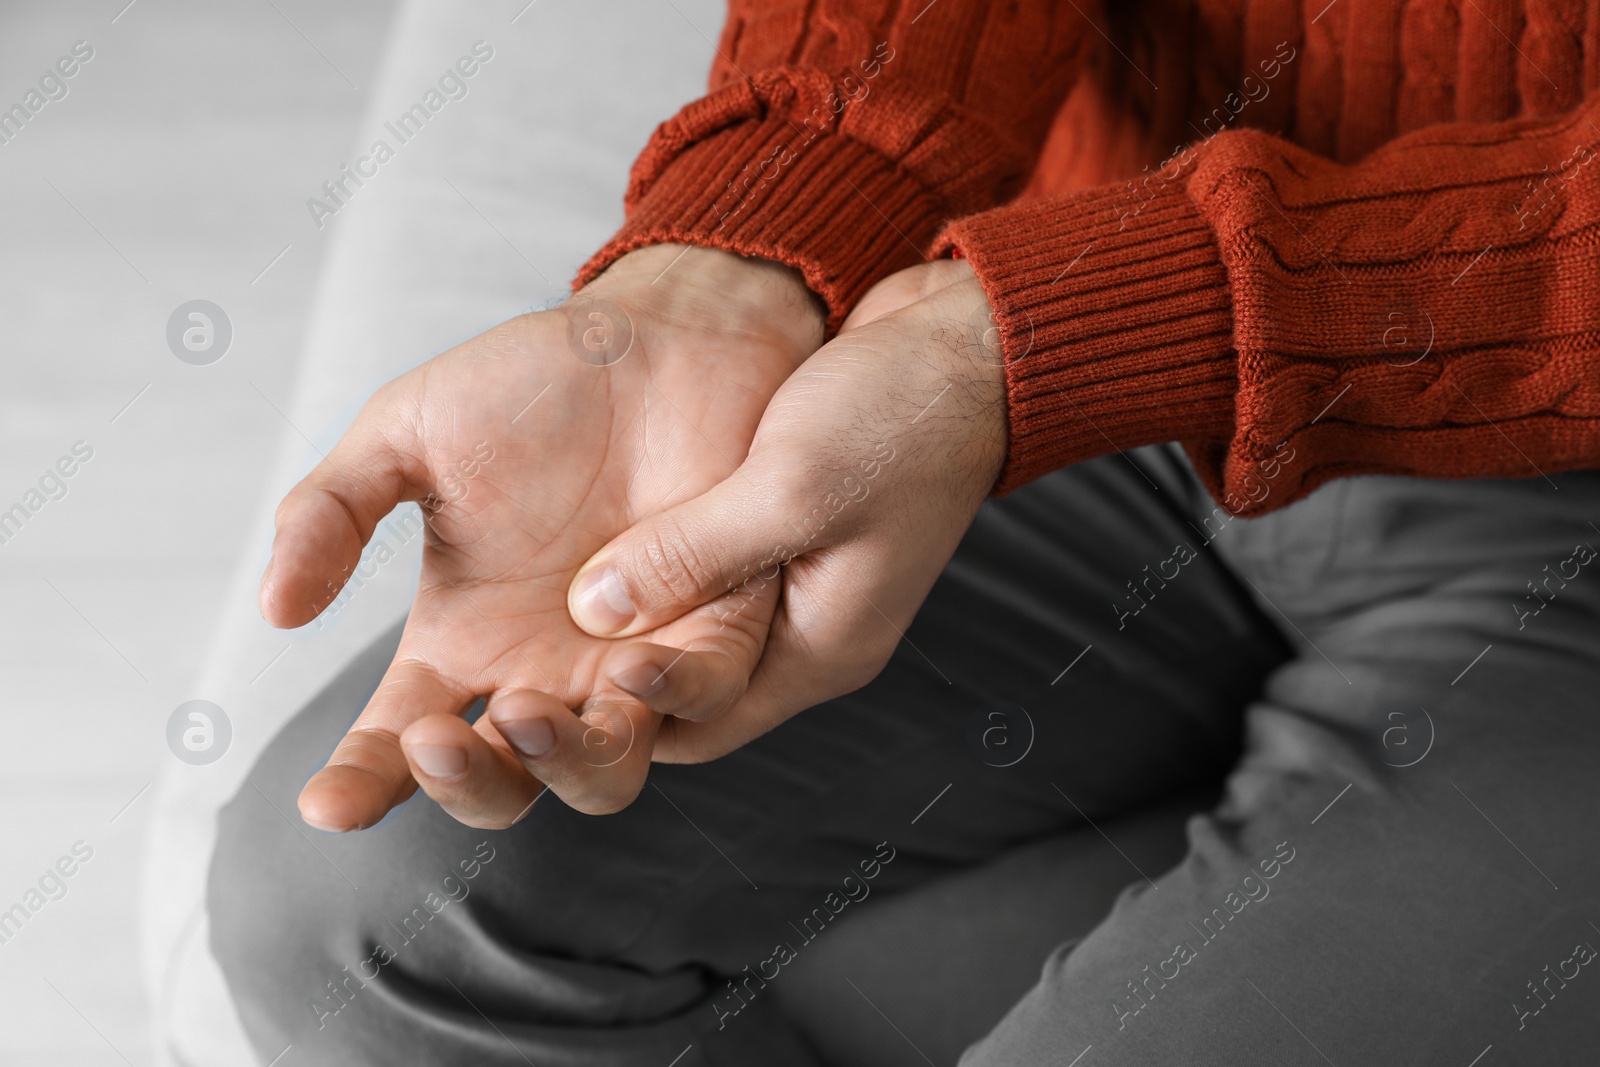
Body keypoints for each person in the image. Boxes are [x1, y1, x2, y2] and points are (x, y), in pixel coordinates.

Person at [211, 1, 1600, 1063]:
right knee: (350, 910)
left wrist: (1080, 323)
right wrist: (730, 262)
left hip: (1519, 464)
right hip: (1110, 373)